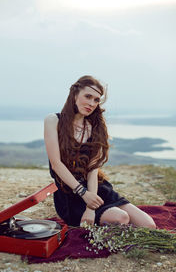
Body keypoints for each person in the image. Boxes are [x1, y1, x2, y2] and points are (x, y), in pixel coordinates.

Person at [44, 75, 156, 229]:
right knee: (121, 218)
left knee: (149, 225)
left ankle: (114, 224)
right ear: (75, 94)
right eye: (88, 96)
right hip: (71, 194)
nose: (92, 103)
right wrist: (84, 195)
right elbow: (56, 164)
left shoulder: (95, 127)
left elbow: (92, 170)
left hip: (96, 189)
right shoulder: (53, 120)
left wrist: (91, 207)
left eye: (96, 100)